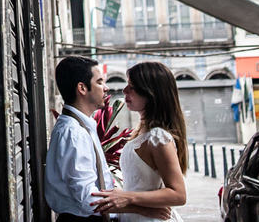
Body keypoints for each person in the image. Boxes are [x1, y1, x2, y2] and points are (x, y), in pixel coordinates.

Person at [46, 56, 170, 222]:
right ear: (82, 88)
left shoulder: (82, 126)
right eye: (99, 82)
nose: (106, 88)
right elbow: (88, 199)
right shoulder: (73, 133)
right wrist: (142, 209)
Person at [90, 62, 188, 222]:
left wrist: (128, 198)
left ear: (151, 93)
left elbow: (178, 194)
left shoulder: (158, 137)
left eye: (132, 87)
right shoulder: (142, 132)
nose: (124, 90)